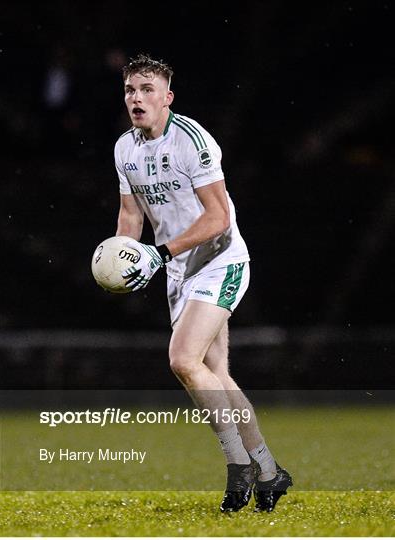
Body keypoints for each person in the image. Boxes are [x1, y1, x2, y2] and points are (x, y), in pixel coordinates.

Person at [114, 53, 292, 512]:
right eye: (131, 89)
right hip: (178, 271)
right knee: (216, 376)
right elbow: (131, 214)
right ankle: (270, 472)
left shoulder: (193, 140)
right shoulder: (124, 148)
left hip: (220, 260)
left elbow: (219, 216)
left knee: (182, 358)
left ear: (167, 97)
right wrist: (123, 257)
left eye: (147, 89)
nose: (138, 98)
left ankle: (238, 468)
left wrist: (160, 252)